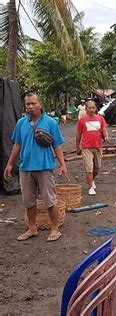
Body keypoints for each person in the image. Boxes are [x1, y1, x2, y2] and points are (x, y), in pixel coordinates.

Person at [3, 92, 68, 242]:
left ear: (40, 104)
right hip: (25, 168)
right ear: (25, 106)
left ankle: (55, 228)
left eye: (34, 103)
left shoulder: (50, 122)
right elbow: (17, 144)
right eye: (28, 104)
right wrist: (10, 163)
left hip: (45, 167)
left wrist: (62, 164)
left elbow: (57, 145)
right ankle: (32, 228)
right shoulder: (21, 123)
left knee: (50, 200)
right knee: (28, 201)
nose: (31, 107)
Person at [76, 100, 109, 196]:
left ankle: (92, 179)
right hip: (86, 147)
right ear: (86, 109)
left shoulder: (100, 118)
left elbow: (104, 129)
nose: (91, 109)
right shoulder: (82, 120)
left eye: (93, 107)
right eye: (89, 108)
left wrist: (106, 136)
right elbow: (78, 134)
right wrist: (77, 147)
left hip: (98, 146)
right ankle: (90, 187)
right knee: (89, 168)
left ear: (95, 108)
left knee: (97, 167)